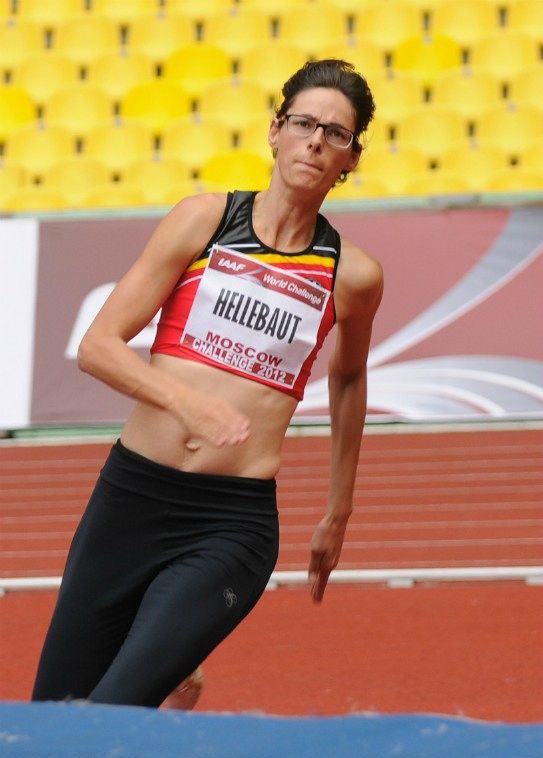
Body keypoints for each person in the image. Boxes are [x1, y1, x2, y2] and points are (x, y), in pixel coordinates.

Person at [32, 59, 383, 709]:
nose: (315, 141)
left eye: (335, 133)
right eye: (303, 123)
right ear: (274, 131)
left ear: (350, 159)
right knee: (55, 711)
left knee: (113, 708)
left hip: (230, 522)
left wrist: (339, 510)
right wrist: (188, 404)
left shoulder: (352, 275)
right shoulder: (205, 220)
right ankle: (173, 680)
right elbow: (98, 347)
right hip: (131, 498)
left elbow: (349, 377)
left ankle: (162, 675)